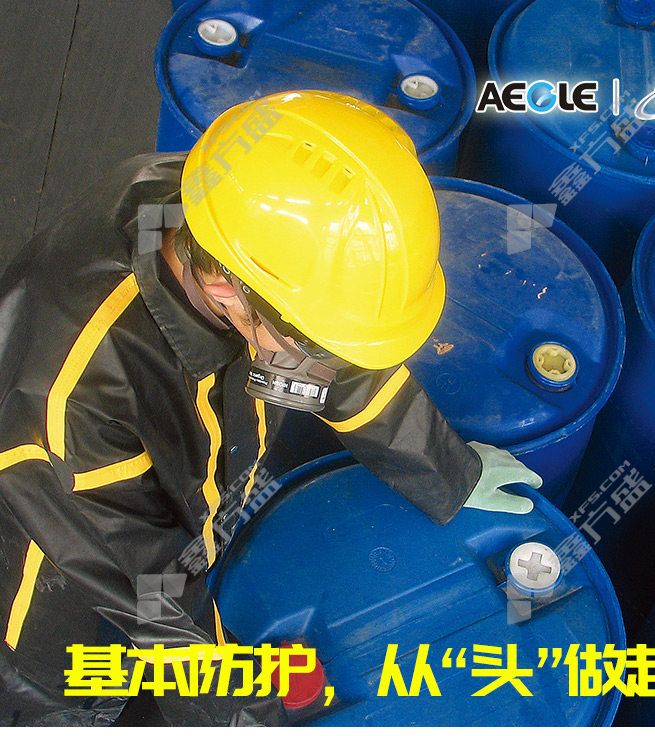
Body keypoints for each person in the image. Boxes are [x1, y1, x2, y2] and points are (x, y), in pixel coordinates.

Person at [0, 91, 541, 726]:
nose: (330, 368)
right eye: (319, 349)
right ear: (222, 288)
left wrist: (446, 469)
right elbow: (153, 603)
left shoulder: (226, 212)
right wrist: (248, 712)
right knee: (77, 693)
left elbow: (326, 351)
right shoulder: (73, 403)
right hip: (57, 595)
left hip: (174, 531)